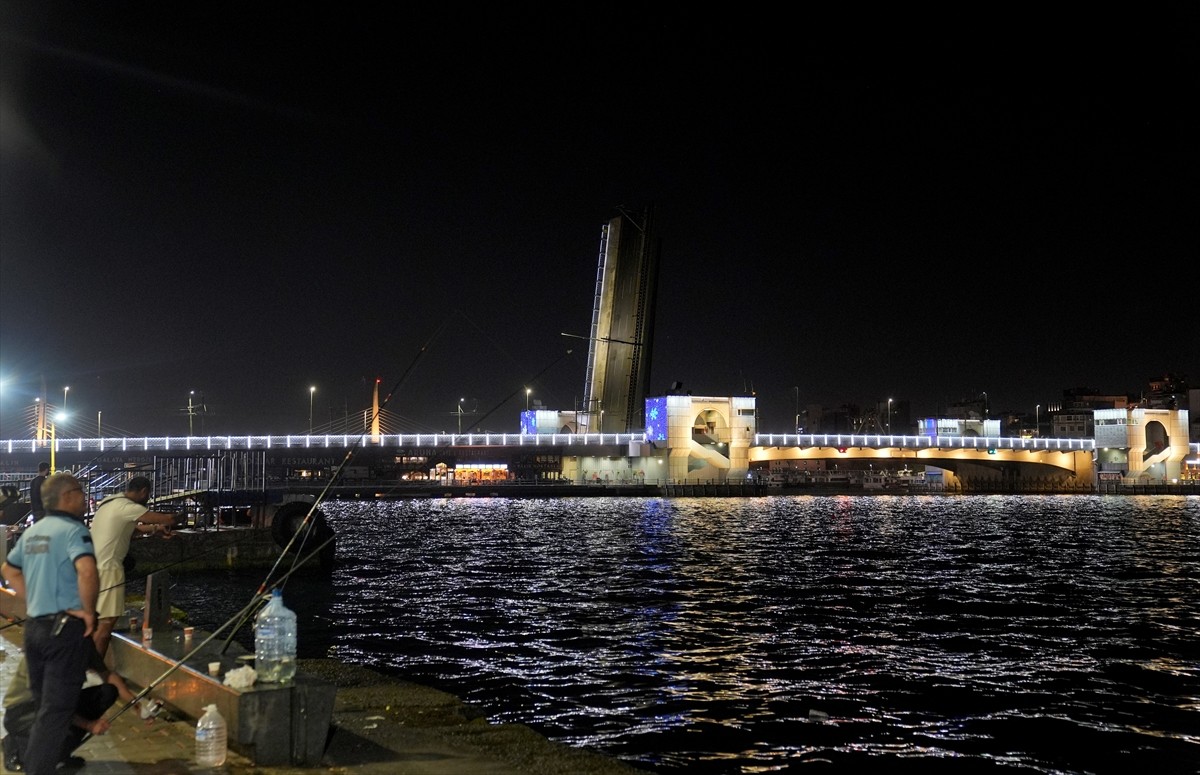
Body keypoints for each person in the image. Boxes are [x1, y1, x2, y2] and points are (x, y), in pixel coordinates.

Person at [1, 472, 98, 775]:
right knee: (57, 710)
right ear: (66, 496)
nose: (84, 497)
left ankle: (38, 760)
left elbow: (9, 569)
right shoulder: (73, 530)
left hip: (35, 629)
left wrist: (33, 601)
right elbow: (86, 571)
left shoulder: (34, 531)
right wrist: (88, 611)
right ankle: (38, 768)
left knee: (45, 705)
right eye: (80, 492)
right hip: (63, 630)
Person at [2, 639, 162, 770]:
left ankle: (60, 753)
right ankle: (15, 746)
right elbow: (52, 703)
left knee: (107, 692)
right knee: (45, 756)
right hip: (25, 712)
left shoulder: (82, 640)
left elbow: (107, 675)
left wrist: (138, 705)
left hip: (56, 704)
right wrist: (88, 725)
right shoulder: (51, 647)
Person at [88, 476, 181, 658]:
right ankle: (93, 669)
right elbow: (168, 519)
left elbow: (131, 530)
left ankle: (87, 665)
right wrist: (175, 518)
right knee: (106, 623)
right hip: (109, 569)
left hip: (91, 567)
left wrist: (155, 529)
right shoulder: (128, 507)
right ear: (144, 492)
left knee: (95, 621)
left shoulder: (109, 503)